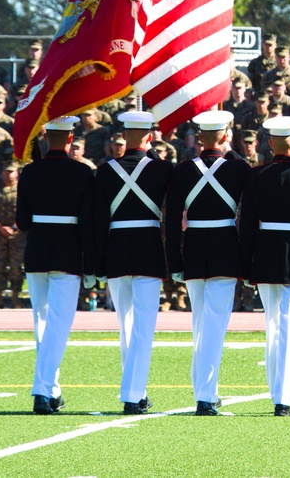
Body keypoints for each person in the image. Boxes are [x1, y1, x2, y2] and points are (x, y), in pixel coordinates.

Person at [166, 110, 247, 417]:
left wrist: (174, 260)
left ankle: (202, 388)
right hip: (225, 250)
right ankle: (206, 395)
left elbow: (172, 220)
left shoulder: (184, 169)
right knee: (214, 326)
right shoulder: (237, 168)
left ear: (199, 138)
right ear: (225, 137)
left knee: (200, 324)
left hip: (195, 251)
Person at [241, 114, 290, 417]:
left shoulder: (256, 175)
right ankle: (283, 398)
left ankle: (277, 391)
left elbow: (247, 224)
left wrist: (247, 266)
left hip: (264, 254)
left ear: (271, 143)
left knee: (273, 327)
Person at [93, 111, 172, 415]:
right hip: (148, 250)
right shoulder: (163, 169)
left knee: (125, 326)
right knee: (143, 326)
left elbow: (99, 221)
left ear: (123, 137)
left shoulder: (105, 170)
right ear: (151, 137)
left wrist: (99, 262)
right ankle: (133, 394)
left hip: (115, 250)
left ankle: (134, 389)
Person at [15, 116, 95, 415]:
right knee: (58, 326)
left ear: (46, 136)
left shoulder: (30, 172)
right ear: (71, 139)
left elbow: (22, 222)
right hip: (68, 252)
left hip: (37, 251)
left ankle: (51, 390)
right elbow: (87, 225)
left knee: (43, 324)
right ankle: (41, 390)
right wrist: (90, 261)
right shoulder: (83, 173)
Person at [0, 162, 24, 308]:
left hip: (18, 235)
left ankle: (15, 297)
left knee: (16, 267)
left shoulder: (24, 189)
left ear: (17, 173)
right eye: (6, 172)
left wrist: (13, 227)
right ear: (2, 173)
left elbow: (27, 211)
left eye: (11, 172)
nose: (9, 174)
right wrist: (1, 227)